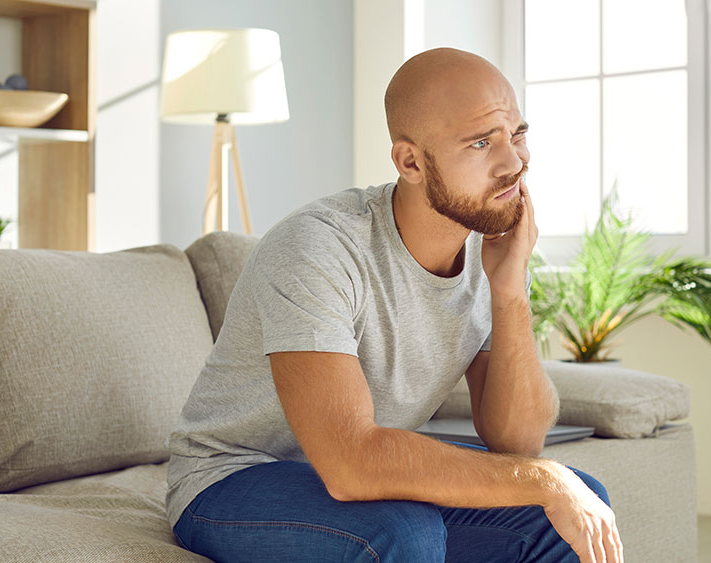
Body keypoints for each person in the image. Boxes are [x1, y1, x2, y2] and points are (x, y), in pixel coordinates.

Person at [165, 47, 624, 563]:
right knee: (402, 530)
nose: (514, 162)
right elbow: (352, 463)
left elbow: (518, 440)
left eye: (517, 135)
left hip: (352, 486)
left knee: (576, 508)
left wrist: (510, 292)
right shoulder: (319, 248)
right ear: (410, 162)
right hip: (231, 479)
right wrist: (544, 479)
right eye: (480, 143)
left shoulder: (487, 246)